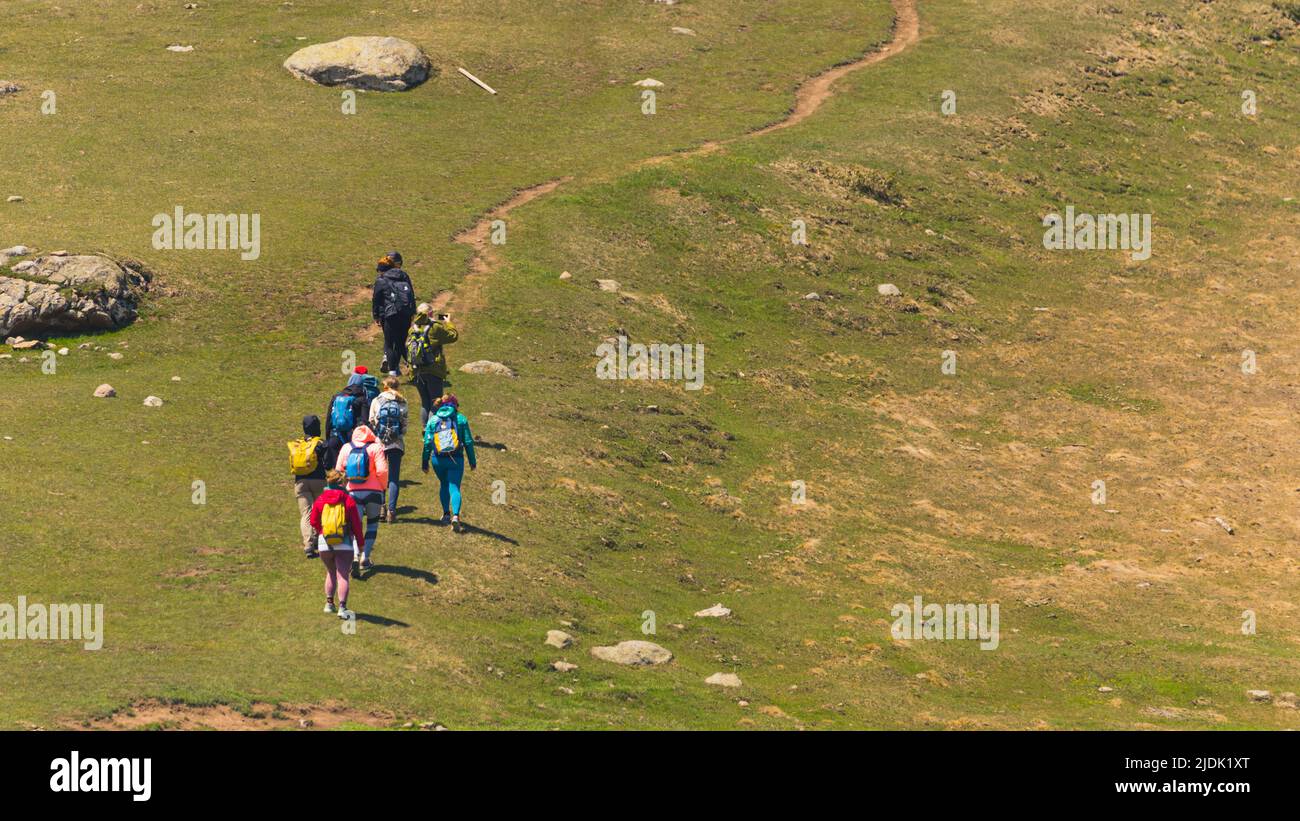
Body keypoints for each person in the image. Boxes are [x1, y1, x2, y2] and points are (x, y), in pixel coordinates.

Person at [308, 469, 364, 620]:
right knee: (343, 575)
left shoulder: (320, 499)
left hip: (324, 541)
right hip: (344, 542)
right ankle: (342, 607)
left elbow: (313, 521)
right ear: (342, 483)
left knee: (331, 572)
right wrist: (360, 543)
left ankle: (328, 604)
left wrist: (322, 531)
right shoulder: (348, 500)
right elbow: (357, 525)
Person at [336, 423, 388, 572]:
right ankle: (365, 557)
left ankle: (355, 555)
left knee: (354, 526)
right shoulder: (375, 448)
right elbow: (383, 471)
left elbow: (338, 470)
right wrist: (382, 487)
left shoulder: (346, 447)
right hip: (374, 491)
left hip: (352, 492)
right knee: (372, 524)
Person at [421, 394, 476, 533]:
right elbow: (468, 442)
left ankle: (446, 514)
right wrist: (472, 461)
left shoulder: (433, 420)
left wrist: (424, 462)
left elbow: (427, 442)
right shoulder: (461, 419)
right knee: (454, 486)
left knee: (444, 484)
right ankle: (456, 516)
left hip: (437, 459)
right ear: (455, 406)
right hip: (456, 459)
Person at [406, 304, 459, 426]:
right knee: (435, 402)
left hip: (416, 371)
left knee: (425, 402)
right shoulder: (435, 327)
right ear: (429, 314)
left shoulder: (413, 328)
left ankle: (425, 430)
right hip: (433, 369)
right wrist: (448, 322)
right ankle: (432, 429)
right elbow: (453, 336)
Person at [369, 375, 409, 524]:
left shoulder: (376, 400)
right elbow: (404, 426)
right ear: (397, 387)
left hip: (380, 443)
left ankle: (381, 507)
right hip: (396, 444)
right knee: (393, 478)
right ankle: (392, 511)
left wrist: (379, 434)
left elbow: (371, 420)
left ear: (385, 386)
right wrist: (398, 434)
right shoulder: (402, 401)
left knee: (380, 476)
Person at [289, 415, 328, 558]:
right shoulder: (320, 443)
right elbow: (328, 463)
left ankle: (308, 545)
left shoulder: (298, 444)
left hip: (300, 483)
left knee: (306, 514)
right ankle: (319, 539)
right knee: (320, 511)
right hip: (319, 481)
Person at [372, 251, 416, 376]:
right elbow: (411, 294)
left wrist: (376, 315)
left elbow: (376, 298)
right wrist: (412, 311)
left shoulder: (381, 279)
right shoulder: (404, 275)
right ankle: (414, 365)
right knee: (401, 342)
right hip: (406, 313)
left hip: (390, 314)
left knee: (390, 343)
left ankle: (393, 372)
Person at [324, 373, 370, 467]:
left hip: (335, 435)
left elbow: (329, 419)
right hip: (353, 438)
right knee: (351, 468)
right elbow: (364, 421)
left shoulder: (336, 397)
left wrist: (328, 437)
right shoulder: (362, 399)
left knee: (336, 469)